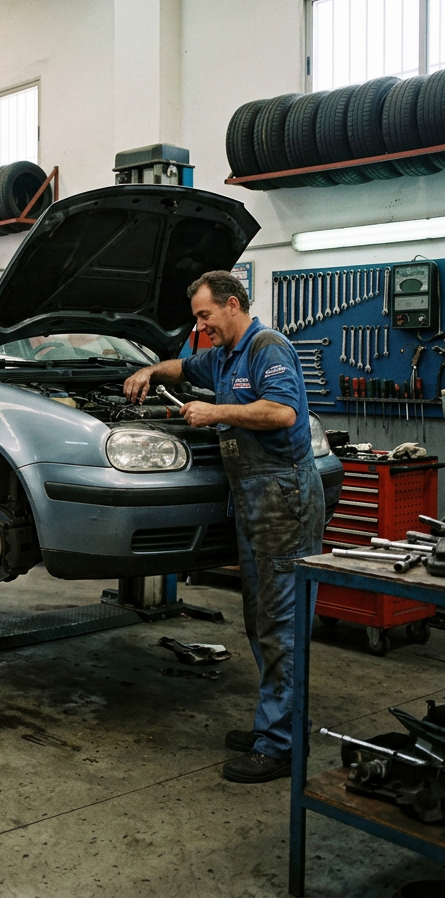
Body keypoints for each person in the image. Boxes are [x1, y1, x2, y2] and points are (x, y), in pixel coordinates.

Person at [123, 270, 322, 783]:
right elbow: (183, 366)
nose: (201, 326)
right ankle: (276, 725)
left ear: (232, 304)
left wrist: (216, 413)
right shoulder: (224, 355)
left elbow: (281, 412)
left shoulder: (266, 347)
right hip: (253, 502)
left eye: (205, 315)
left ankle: (280, 746)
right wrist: (150, 372)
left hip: (283, 499)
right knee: (259, 621)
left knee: (281, 626)